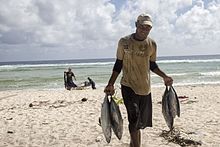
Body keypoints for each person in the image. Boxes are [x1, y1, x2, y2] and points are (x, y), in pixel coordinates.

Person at [104, 13, 173, 147]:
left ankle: (133, 144)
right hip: (128, 86)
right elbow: (118, 63)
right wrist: (110, 84)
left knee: (139, 123)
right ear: (136, 25)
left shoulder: (152, 44)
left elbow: (152, 65)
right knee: (134, 118)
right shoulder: (124, 42)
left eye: (148, 28)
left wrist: (164, 76)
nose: (145, 30)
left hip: (145, 89)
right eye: (142, 26)